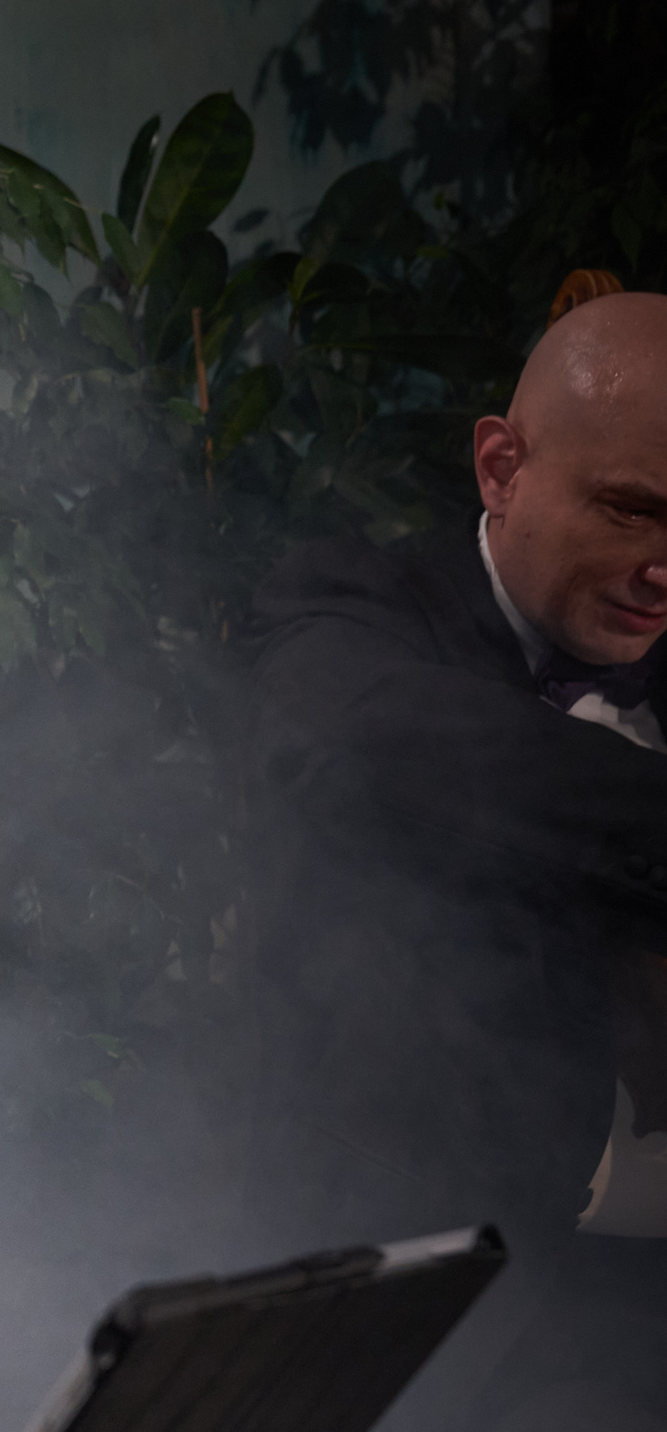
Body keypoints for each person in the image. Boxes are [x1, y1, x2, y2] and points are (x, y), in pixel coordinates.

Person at [247, 290, 667, 1430]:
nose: (662, 568)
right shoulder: (349, 607)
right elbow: (371, 746)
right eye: (631, 511)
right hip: (448, 1309)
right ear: (499, 464)